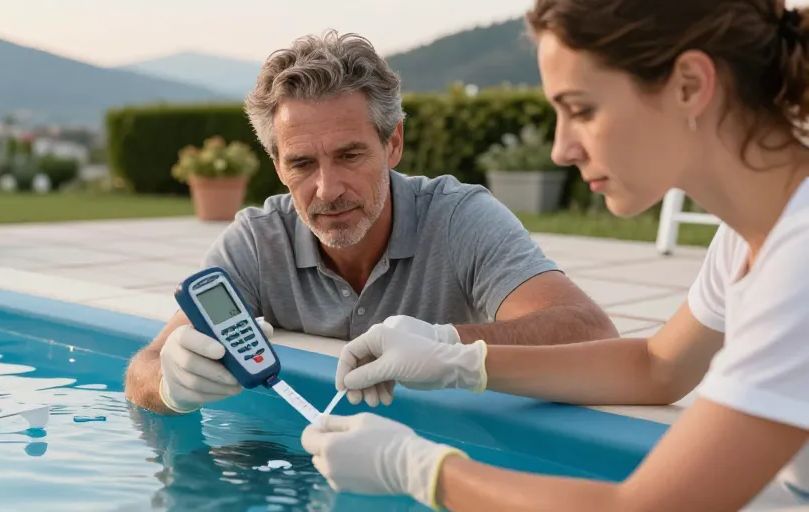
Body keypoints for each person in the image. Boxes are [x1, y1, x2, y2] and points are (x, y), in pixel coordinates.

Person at [300, 1, 809, 510]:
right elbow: (658, 368)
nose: (561, 149)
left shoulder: (799, 259)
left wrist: (418, 470)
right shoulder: (749, 237)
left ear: (690, 86)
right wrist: (458, 358)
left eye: (582, 109)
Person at [123, 30, 618, 416]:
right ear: (276, 166)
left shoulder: (459, 217)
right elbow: (143, 368)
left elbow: (590, 331)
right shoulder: (257, 240)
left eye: (350, 154)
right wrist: (169, 385)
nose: (327, 188)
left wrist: (445, 346)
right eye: (301, 164)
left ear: (393, 143)